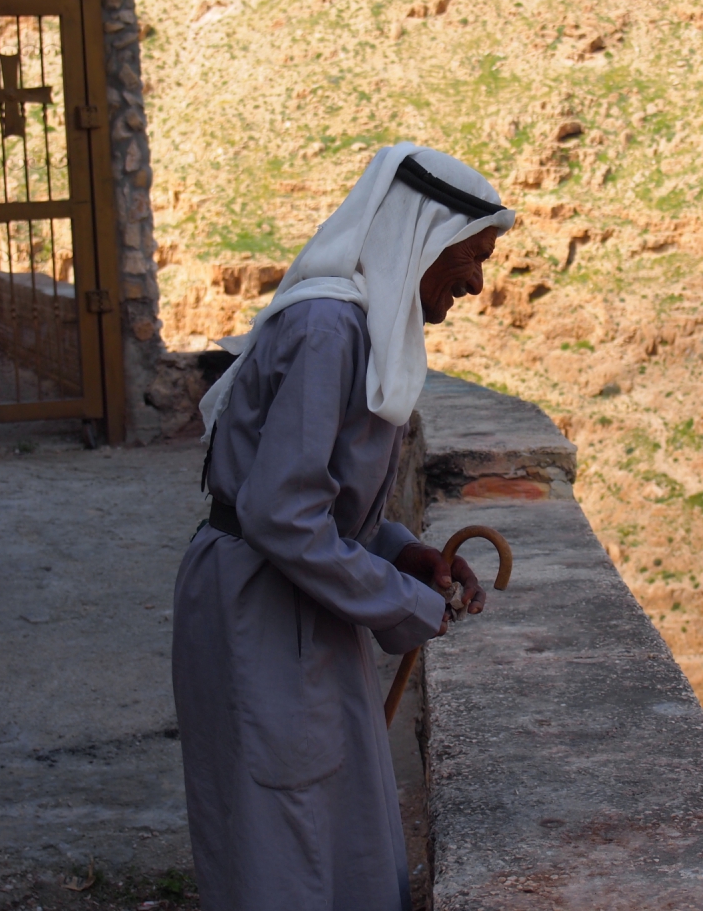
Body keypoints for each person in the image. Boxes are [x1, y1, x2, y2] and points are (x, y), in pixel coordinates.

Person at [172, 144, 515, 911]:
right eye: (470, 257)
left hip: (293, 602)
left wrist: (408, 552)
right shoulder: (331, 331)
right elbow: (284, 515)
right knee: (285, 839)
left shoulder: (359, 327)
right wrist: (408, 605)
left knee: (329, 824)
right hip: (262, 608)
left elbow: (323, 502)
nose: (477, 283)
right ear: (422, 242)